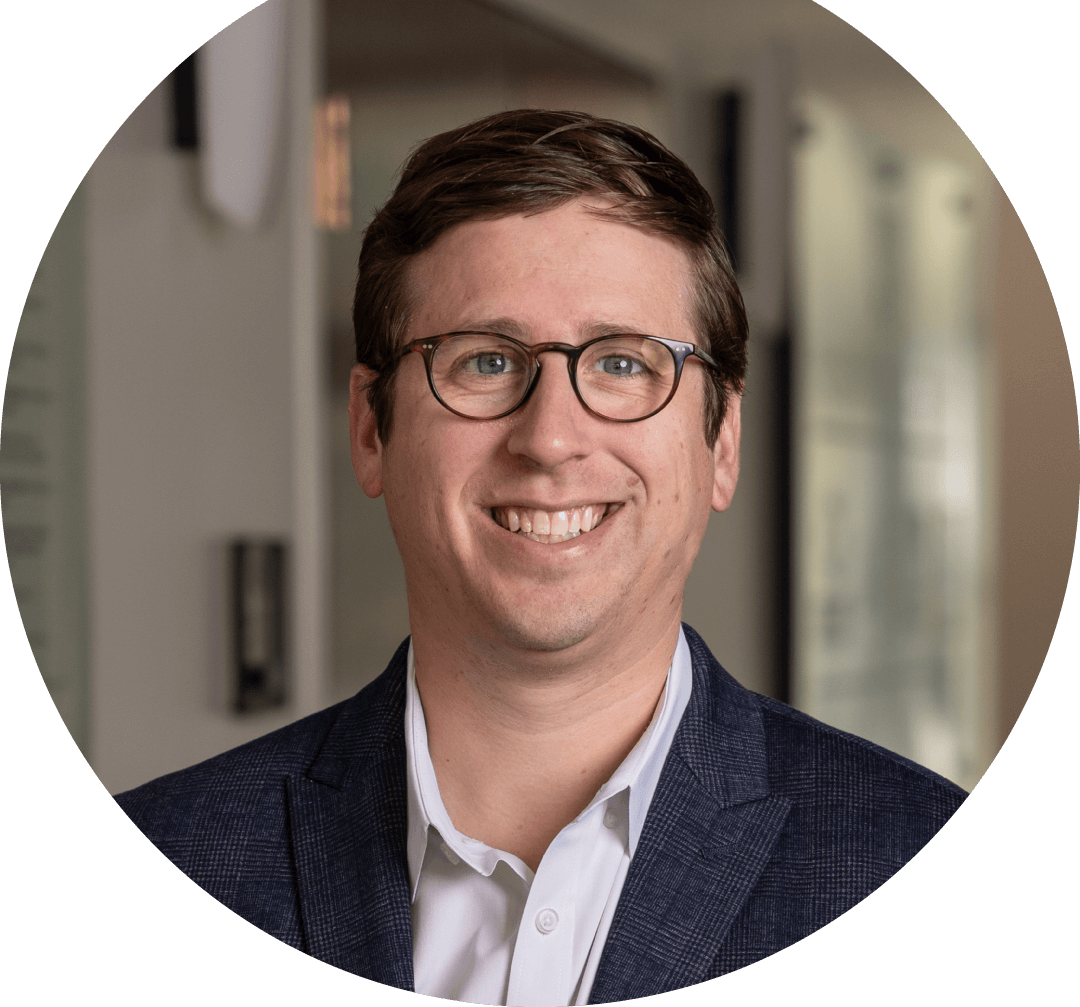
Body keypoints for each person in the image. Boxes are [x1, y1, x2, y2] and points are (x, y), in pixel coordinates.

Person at [115, 109, 966, 1002]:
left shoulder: (902, 849)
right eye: (485, 362)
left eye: (624, 366)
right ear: (370, 429)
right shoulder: (177, 850)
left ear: (723, 444)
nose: (551, 438)